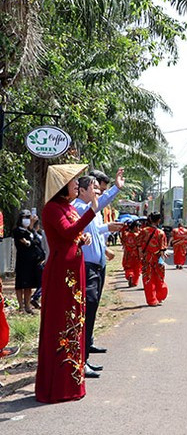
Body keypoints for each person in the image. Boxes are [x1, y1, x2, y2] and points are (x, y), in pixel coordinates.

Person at [35, 163, 98, 404]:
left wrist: (83, 238)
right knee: (61, 324)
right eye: (73, 181)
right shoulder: (52, 208)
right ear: (63, 185)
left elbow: (72, 235)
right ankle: (58, 386)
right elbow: (66, 232)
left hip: (73, 271)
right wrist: (92, 211)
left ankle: (72, 382)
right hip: (61, 274)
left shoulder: (68, 207)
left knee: (75, 322)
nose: (77, 184)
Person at [73, 172, 124, 378]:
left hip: (96, 265)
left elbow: (94, 231)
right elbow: (99, 203)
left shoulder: (88, 210)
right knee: (87, 310)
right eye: (94, 188)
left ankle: (85, 355)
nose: (97, 192)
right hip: (87, 267)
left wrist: (107, 228)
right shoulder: (79, 207)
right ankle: (81, 360)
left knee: (91, 311)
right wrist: (116, 188)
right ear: (82, 190)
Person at [13, 210, 46, 314]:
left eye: (29, 217)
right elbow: (27, 243)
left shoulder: (31, 231)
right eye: (25, 218)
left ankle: (27, 306)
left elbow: (36, 242)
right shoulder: (18, 231)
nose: (27, 220)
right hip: (22, 261)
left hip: (32, 262)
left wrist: (32, 228)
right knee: (20, 284)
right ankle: (21, 306)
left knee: (29, 285)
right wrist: (30, 241)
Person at [138, 213, 168, 306]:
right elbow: (162, 249)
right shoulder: (161, 233)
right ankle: (160, 296)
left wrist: (141, 256)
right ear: (159, 220)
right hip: (157, 258)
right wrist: (163, 258)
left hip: (146, 258)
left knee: (148, 278)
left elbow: (139, 245)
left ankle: (151, 300)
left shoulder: (143, 231)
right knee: (159, 278)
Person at [30, 217, 48, 309]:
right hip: (45, 261)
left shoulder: (42, 234)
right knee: (45, 283)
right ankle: (36, 297)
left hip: (41, 261)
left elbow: (44, 248)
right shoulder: (41, 236)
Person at [120, 217, 143, 287]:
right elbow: (140, 246)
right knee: (137, 269)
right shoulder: (138, 235)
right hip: (136, 255)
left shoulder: (126, 235)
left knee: (128, 268)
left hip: (127, 255)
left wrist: (124, 227)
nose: (139, 228)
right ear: (135, 227)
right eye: (138, 227)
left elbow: (122, 238)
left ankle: (130, 275)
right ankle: (134, 282)